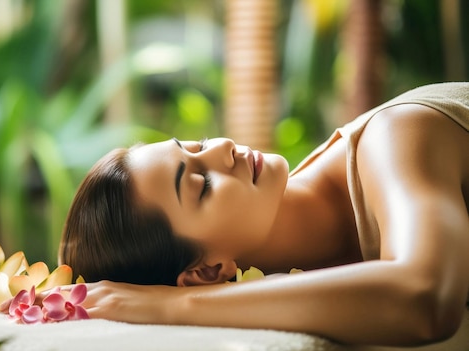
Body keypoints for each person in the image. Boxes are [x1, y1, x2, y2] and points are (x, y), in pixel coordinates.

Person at [58, 82, 469, 347]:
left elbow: (426, 295)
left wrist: (169, 305)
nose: (223, 148)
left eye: (197, 145)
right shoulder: (296, 291)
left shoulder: (392, 137)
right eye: (201, 184)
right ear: (204, 272)